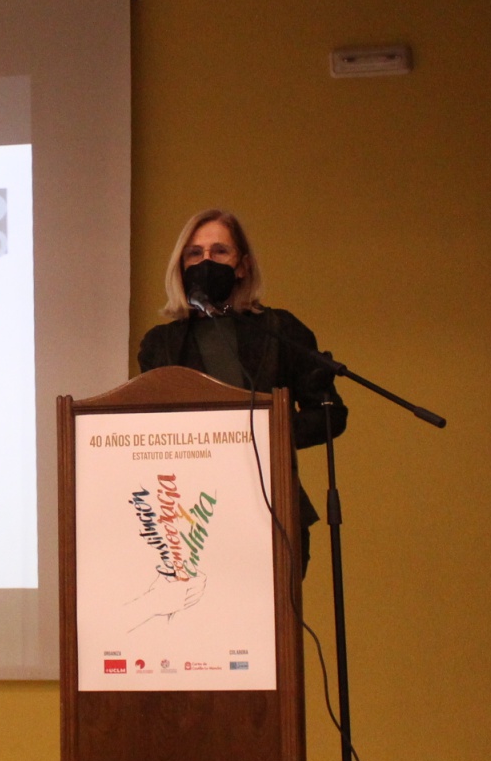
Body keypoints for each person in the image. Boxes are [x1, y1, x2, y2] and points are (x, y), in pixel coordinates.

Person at [136, 209, 346, 568]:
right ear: (181, 266)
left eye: (220, 252)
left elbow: (329, 414)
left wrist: (270, 432)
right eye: (194, 253)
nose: (206, 261)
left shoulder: (280, 330)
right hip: (187, 521)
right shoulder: (161, 344)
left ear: (242, 266)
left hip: (272, 511)